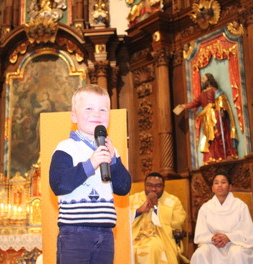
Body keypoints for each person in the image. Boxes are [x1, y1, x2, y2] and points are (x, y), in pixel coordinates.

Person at [49, 84, 131, 264]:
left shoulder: (111, 149)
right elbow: (59, 184)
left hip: (105, 233)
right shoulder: (66, 147)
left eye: (103, 109)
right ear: (74, 117)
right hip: (74, 233)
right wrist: (90, 164)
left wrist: (114, 161)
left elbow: (124, 188)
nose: (97, 114)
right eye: (89, 108)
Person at [191, 171, 253, 264]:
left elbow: (248, 233)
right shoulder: (205, 208)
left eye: (223, 182)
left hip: (235, 244)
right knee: (200, 253)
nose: (220, 185)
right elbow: (200, 235)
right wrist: (214, 238)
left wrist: (228, 237)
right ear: (212, 188)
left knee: (236, 253)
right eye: (216, 183)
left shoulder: (240, 206)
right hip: (213, 245)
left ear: (230, 187)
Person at [129, 172, 188, 264]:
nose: (153, 189)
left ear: (164, 186)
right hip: (133, 237)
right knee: (127, 249)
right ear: (144, 185)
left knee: (152, 247)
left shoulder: (173, 201)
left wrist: (156, 208)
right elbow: (123, 222)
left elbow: (177, 225)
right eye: (149, 185)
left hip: (158, 238)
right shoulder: (132, 199)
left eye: (158, 186)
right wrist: (139, 211)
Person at [180, 73, 238, 164]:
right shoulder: (202, 94)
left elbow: (222, 100)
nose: (202, 80)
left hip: (216, 116)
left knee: (218, 134)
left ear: (208, 80)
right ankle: (213, 156)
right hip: (207, 119)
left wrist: (222, 109)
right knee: (211, 138)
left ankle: (224, 155)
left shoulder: (216, 91)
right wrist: (184, 106)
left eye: (204, 78)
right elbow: (194, 103)